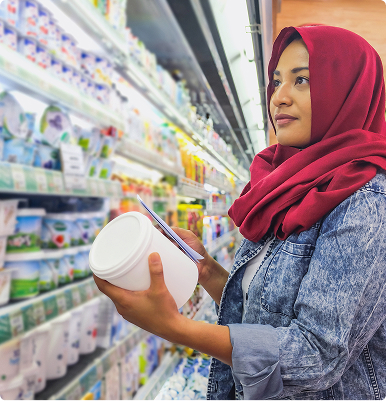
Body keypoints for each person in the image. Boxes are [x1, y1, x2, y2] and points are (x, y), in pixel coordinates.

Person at [94, 25, 386, 400]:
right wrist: (205, 268)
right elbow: (265, 313)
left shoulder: (365, 202)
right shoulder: (283, 185)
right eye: (277, 81)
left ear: (348, 91)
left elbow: (315, 356)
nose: (279, 97)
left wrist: (175, 327)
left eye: (303, 81)